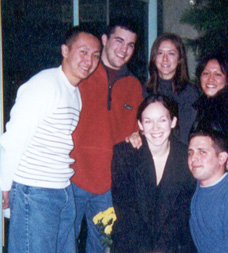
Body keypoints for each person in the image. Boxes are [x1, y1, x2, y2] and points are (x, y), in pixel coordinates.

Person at [0, 25, 101, 252]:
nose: (89, 61)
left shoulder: (74, 93)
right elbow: (13, 138)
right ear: (65, 51)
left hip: (62, 189)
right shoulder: (43, 85)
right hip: (35, 190)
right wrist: (4, 184)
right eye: (83, 52)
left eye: (95, 55)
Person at [70, 18, 143, 252]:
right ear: (104, 40)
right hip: (72, 179)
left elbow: (137, 130)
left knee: (103, 248)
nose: (124, 49)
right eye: (119, 41)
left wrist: (136, 135)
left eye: (130, 45)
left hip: (109, 188)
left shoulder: (134, 86)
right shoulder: (80, 74)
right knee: (63, 244)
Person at [111, 95, 196, 252]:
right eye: (148, 121)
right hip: (133, 243)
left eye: (162, 120)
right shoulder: (124, 154)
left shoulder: (186, 158)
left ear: (173, 122)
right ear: (140, 125)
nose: (155, 128)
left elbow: (181, 213)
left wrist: (160, 249)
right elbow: (126, 210)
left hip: (172, 245)